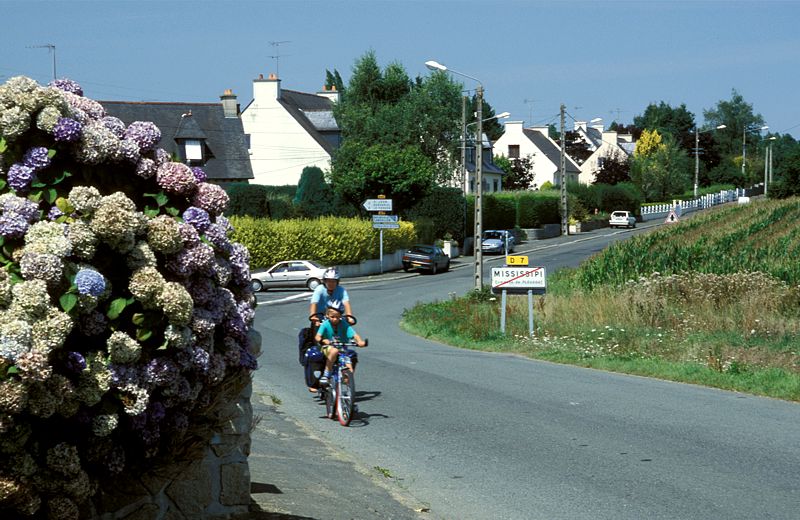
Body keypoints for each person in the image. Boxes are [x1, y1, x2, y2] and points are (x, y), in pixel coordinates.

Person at [315, 301, 366, 386]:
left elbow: (354, 334)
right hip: (327, 347)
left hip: (342, 349)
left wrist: (360, 341)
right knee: (334, 351)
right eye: (332, 317)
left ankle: (345, 391)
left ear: (341, 316)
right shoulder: (325, 324)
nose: (335, 319)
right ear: (327, 315)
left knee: (350, 370)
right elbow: (317, 336)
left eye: (337, 317)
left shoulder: (344, 324)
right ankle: (326, 374)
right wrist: (323, 340)